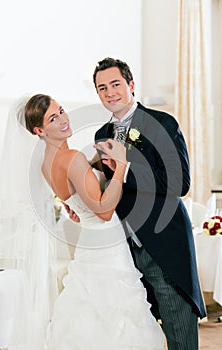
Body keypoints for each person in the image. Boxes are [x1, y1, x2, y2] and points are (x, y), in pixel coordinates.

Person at [24, 93, 165, 350]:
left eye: (62, 110)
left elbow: (70, 194)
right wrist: (120, 166)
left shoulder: (46, 163)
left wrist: (85, 181)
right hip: (107, 242)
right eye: (53, 118)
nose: (63, 119)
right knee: (117, 310)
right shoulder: (72, 158)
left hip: (88, 243)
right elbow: (104, 211)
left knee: (87, 308)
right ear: (39, 130)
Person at [90, 57, 206, 350]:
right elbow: (112, 188)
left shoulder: (162, 123)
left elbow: (179, 184)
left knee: (179, 332)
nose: (110, 92)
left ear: (131, 85)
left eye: (115, 84)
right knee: (137, 335)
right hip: (123, 249)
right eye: (102, 88)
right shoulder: (101, 135)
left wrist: (128, 164)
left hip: (163, 242)